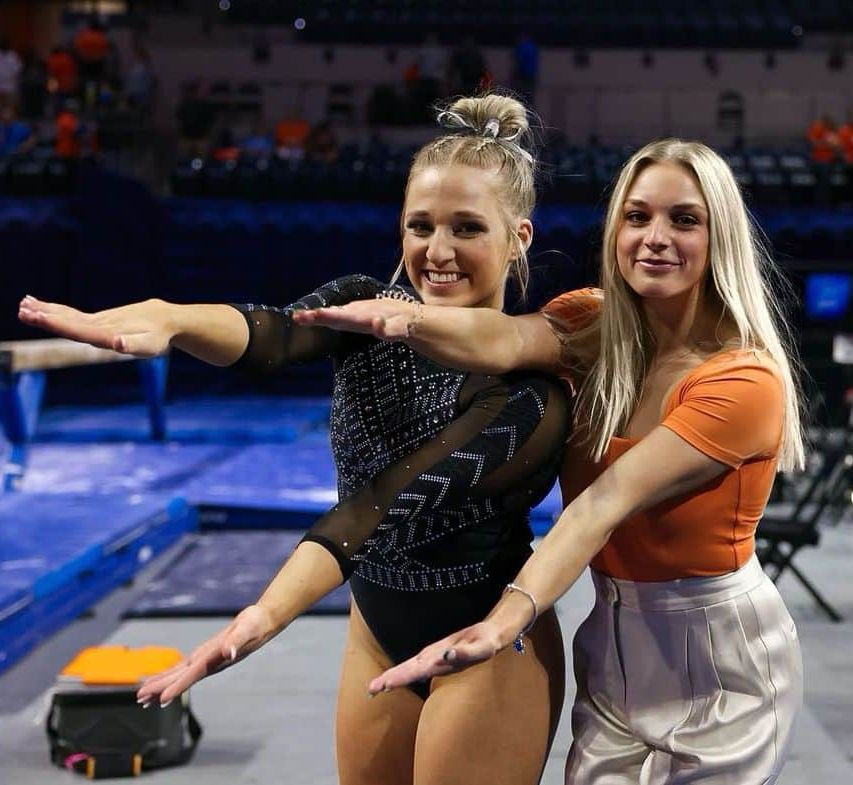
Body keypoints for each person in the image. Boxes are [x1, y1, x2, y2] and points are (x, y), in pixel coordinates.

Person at [18, 93, 569, 785]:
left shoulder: (529, 396)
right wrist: (172, 318)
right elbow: (270, 332)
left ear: (518, 237)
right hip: (376, 631)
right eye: (420, 225)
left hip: (488, 647)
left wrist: (260, 617)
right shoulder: (367, 308)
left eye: (467, 228)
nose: (438, 251)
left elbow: (380, 505)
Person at [304, 138, 806, 784]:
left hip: (718, 655)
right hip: (615, 632)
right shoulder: (591, 325)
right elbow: (506, 337)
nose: (655, 237)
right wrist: (405, 320)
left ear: (720, 237)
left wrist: (503, 621)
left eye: (684, 219)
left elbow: (602, 504)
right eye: (636, 216)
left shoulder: (743, 380)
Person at [0, 39, 22, 117]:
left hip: (10, 86)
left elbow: (18, 69)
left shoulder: (13, 56)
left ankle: (9, 125)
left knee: (9, 108)